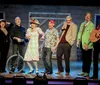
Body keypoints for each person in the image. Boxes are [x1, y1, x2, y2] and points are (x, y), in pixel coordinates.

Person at [77, 12, 95, 77]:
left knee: (88, 59)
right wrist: (78, 40)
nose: (87, 17)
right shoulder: (82, 24)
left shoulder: (92, 25)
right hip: (82, 44)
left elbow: (92, 35)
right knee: (84, 58)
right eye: (86, 16)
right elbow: (79, 32)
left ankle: (87, 72)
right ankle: (83, 71)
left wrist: (87, 43)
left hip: (88, 45)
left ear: (90, 18)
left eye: (88, 16)